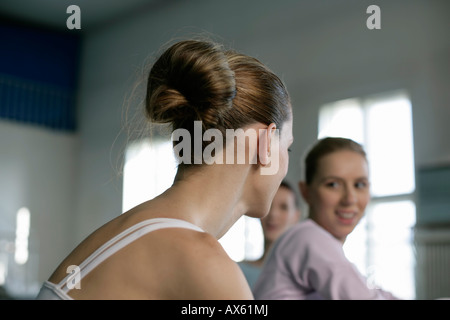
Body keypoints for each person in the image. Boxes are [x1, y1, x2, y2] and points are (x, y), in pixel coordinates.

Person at [35, 38, 294, 300]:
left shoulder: (121, 234)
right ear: (267, 144)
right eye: (288, 148)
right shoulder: (203, 264)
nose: (286, 164)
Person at [253, 137, 399, 300]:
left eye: (359, 185)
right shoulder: (308, 238)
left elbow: (373, 292)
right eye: (333, 184)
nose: (350, 199)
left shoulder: (311, 242)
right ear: (306, 192)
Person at [238, 180, 301, 289]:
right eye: (269, 205)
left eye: (283, 207)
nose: (273, 214)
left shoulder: (304, 278)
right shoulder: (238, 271)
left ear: (296, 216)